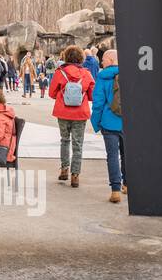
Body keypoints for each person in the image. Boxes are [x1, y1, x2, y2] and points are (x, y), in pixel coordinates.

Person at [47, 45, 94, 187]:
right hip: (80, 113)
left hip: (63, 112)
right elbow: (92, 95)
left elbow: (51, 93)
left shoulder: (60, 73)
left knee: (64, 140)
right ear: (81, 58)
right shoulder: (86, 74)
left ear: (66, 57)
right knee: (78, 144)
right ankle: (75, 175)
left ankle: (64, 169)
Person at [89, 49, 127, 203]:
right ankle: (127, 184)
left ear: (111, 60)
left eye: (103, 59)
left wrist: (96, 122)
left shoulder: (102, 77)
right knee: (127, 155)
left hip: (109, 122)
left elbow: (98, 103)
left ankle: (115, 191)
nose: (101, 62)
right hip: (128, 123)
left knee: (112, 156)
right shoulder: (129, 74)